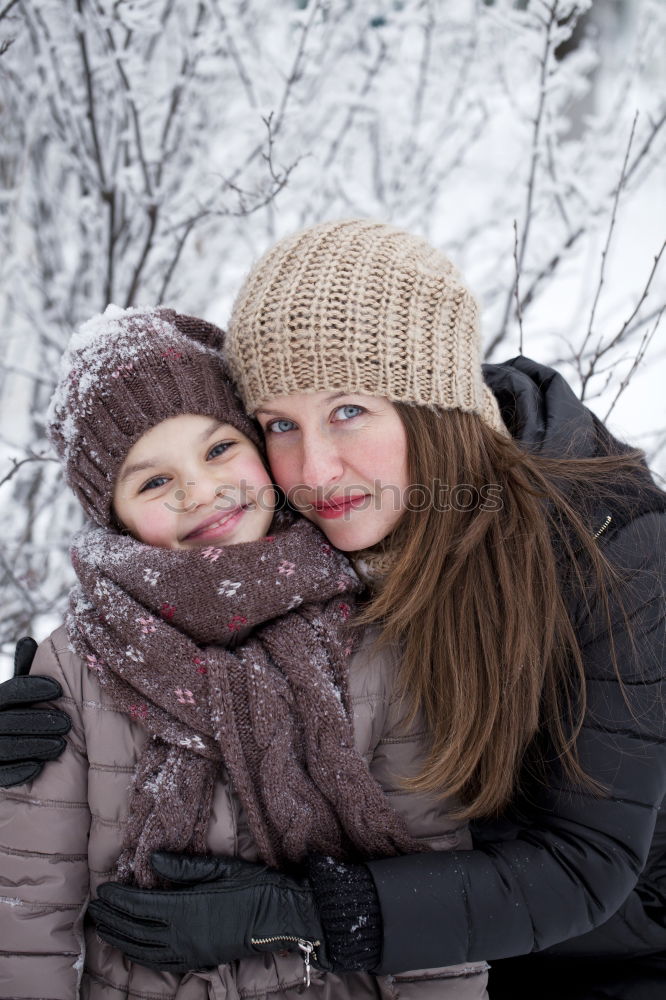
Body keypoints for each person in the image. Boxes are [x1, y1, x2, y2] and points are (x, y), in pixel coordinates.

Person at [2, 219, 665, 998]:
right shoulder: (320, 534)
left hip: (604, 956)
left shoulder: (614, 551)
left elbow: (585, 865)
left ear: (433, 403)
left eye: (348, 409)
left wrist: (308, 917)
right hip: (410, 955)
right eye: (280, 425)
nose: (313, 469)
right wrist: (93, 697)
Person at [0, 303, 490, 1000]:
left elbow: (433, 891)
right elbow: (25, 915)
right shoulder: (78, 666)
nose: (200, 490)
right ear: (114, 516)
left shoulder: (375, 642)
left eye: (219, 448)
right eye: (153, 481)